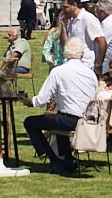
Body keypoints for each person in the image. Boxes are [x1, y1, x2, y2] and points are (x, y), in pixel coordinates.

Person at [22, 37, 100, 174]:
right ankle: (67, 161)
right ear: (82, 54)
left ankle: (54, 159)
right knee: (58, 119)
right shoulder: (91, 74)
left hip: (69, 120)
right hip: (88, 120)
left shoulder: (59, 71)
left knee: (30, 122)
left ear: (65, 53)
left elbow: (42, 99)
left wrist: (29, 101)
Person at [61, 0, 106, 67]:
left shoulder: (88, 18)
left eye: (66, 7)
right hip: (71, 63)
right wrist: (63, 27)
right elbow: (65, 45)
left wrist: (99, 64)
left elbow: (102, 41)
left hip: (86, 63)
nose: (63, 10)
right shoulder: (72, 21)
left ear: (74, 5)